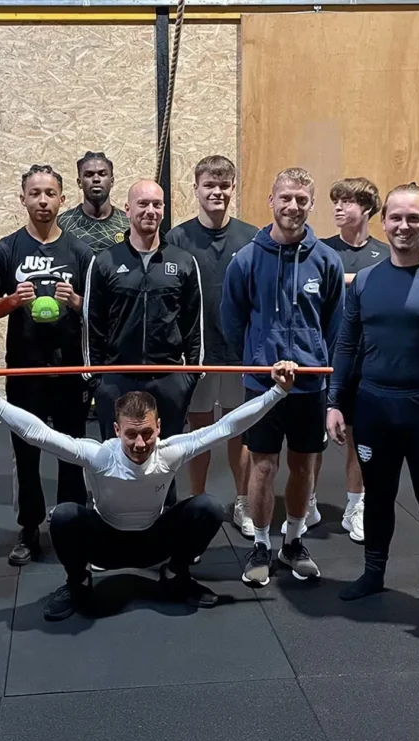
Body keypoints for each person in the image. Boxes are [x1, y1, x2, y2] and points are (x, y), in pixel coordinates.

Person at [0, 361, 297, 620]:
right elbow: (39, 434)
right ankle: (78, 583)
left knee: (209, 507)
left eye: (147, 434)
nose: (140, 444)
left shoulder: (169, 451)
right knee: (65, 515)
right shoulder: (99, 456)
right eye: (131, 435)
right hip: (104, 545)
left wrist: (278, 392)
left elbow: (227, 426)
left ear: (159, 428)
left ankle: (175, 575)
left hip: (155, 543)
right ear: (116, 430)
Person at [327, 182, 419, 631]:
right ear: (384, 221)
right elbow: (347, 343)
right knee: (377, 498)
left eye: (413, 217)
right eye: (396, 217)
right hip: (375, 405)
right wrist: (335, 401)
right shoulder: (368, 281)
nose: (403, 225)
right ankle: (373, 573)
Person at [221, 167, 345, 587]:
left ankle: (292, 541)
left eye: (302, 200)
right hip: (263, 386)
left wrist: (316, 358)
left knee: (303, 466)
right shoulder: (247, 259)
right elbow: (232, 319)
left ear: (311, 205)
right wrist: (259, 360)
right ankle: (260, 544)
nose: (293, 206)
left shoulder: (327, 261)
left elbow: (335, 325)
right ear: (271, 201)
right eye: (286, 198)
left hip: (311, 385)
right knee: (262, 466)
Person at [0, 164, 93, 567]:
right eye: (35, 193)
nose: (43, 201)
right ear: (23, 198)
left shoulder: (80, 252)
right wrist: (14, 301)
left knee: (71, 451)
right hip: (25, 370)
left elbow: (98, 310)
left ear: (63, 199)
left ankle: (70, 524)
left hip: (68, 370)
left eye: (50, 193)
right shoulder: (5, 249)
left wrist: (77, 302)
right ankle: (29, 529)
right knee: (27, 453)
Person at [83, 178, 203, 505]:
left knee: (165, 461)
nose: (150, 211)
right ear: (128, 209)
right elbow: (91, 323)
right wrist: (96, 378)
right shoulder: (105, 261)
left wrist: (190, 376)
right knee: (116, 459)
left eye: (157, 204)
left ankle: (165, 532)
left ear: (164, 210)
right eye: (143, 204)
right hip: (117, 378)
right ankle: (114, 530)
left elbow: (193, 325)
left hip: (169, 381)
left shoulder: (184, 262)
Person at [166, 155, 258, 536]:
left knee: (239, 431)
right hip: (196, 353)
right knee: (199, 431)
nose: (217, 192)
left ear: (233, 189)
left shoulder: (252, 237)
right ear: (196, 189)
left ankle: (242, 503)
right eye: (210, 186)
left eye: (224, 186)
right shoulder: (177, 238)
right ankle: (198, 501)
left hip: (238, 352)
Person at [305, 178, 391, 544]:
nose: (338, 208)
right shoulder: (320, 250)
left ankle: (356, 505)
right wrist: (354, 281)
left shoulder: (386, 254)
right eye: (335, 201)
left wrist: (346, 280)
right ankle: (306, 501)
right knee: (312, 439)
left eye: (347, 202)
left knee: (359, 439)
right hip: (323, 357)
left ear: (367, 209)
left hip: (366, 360)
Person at [58, 151, 129, 255]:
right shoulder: (62, 224)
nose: (96, 179)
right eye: (89, 175)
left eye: (102, 174)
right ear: (79, 182)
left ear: (112, 181)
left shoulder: (128, 224)